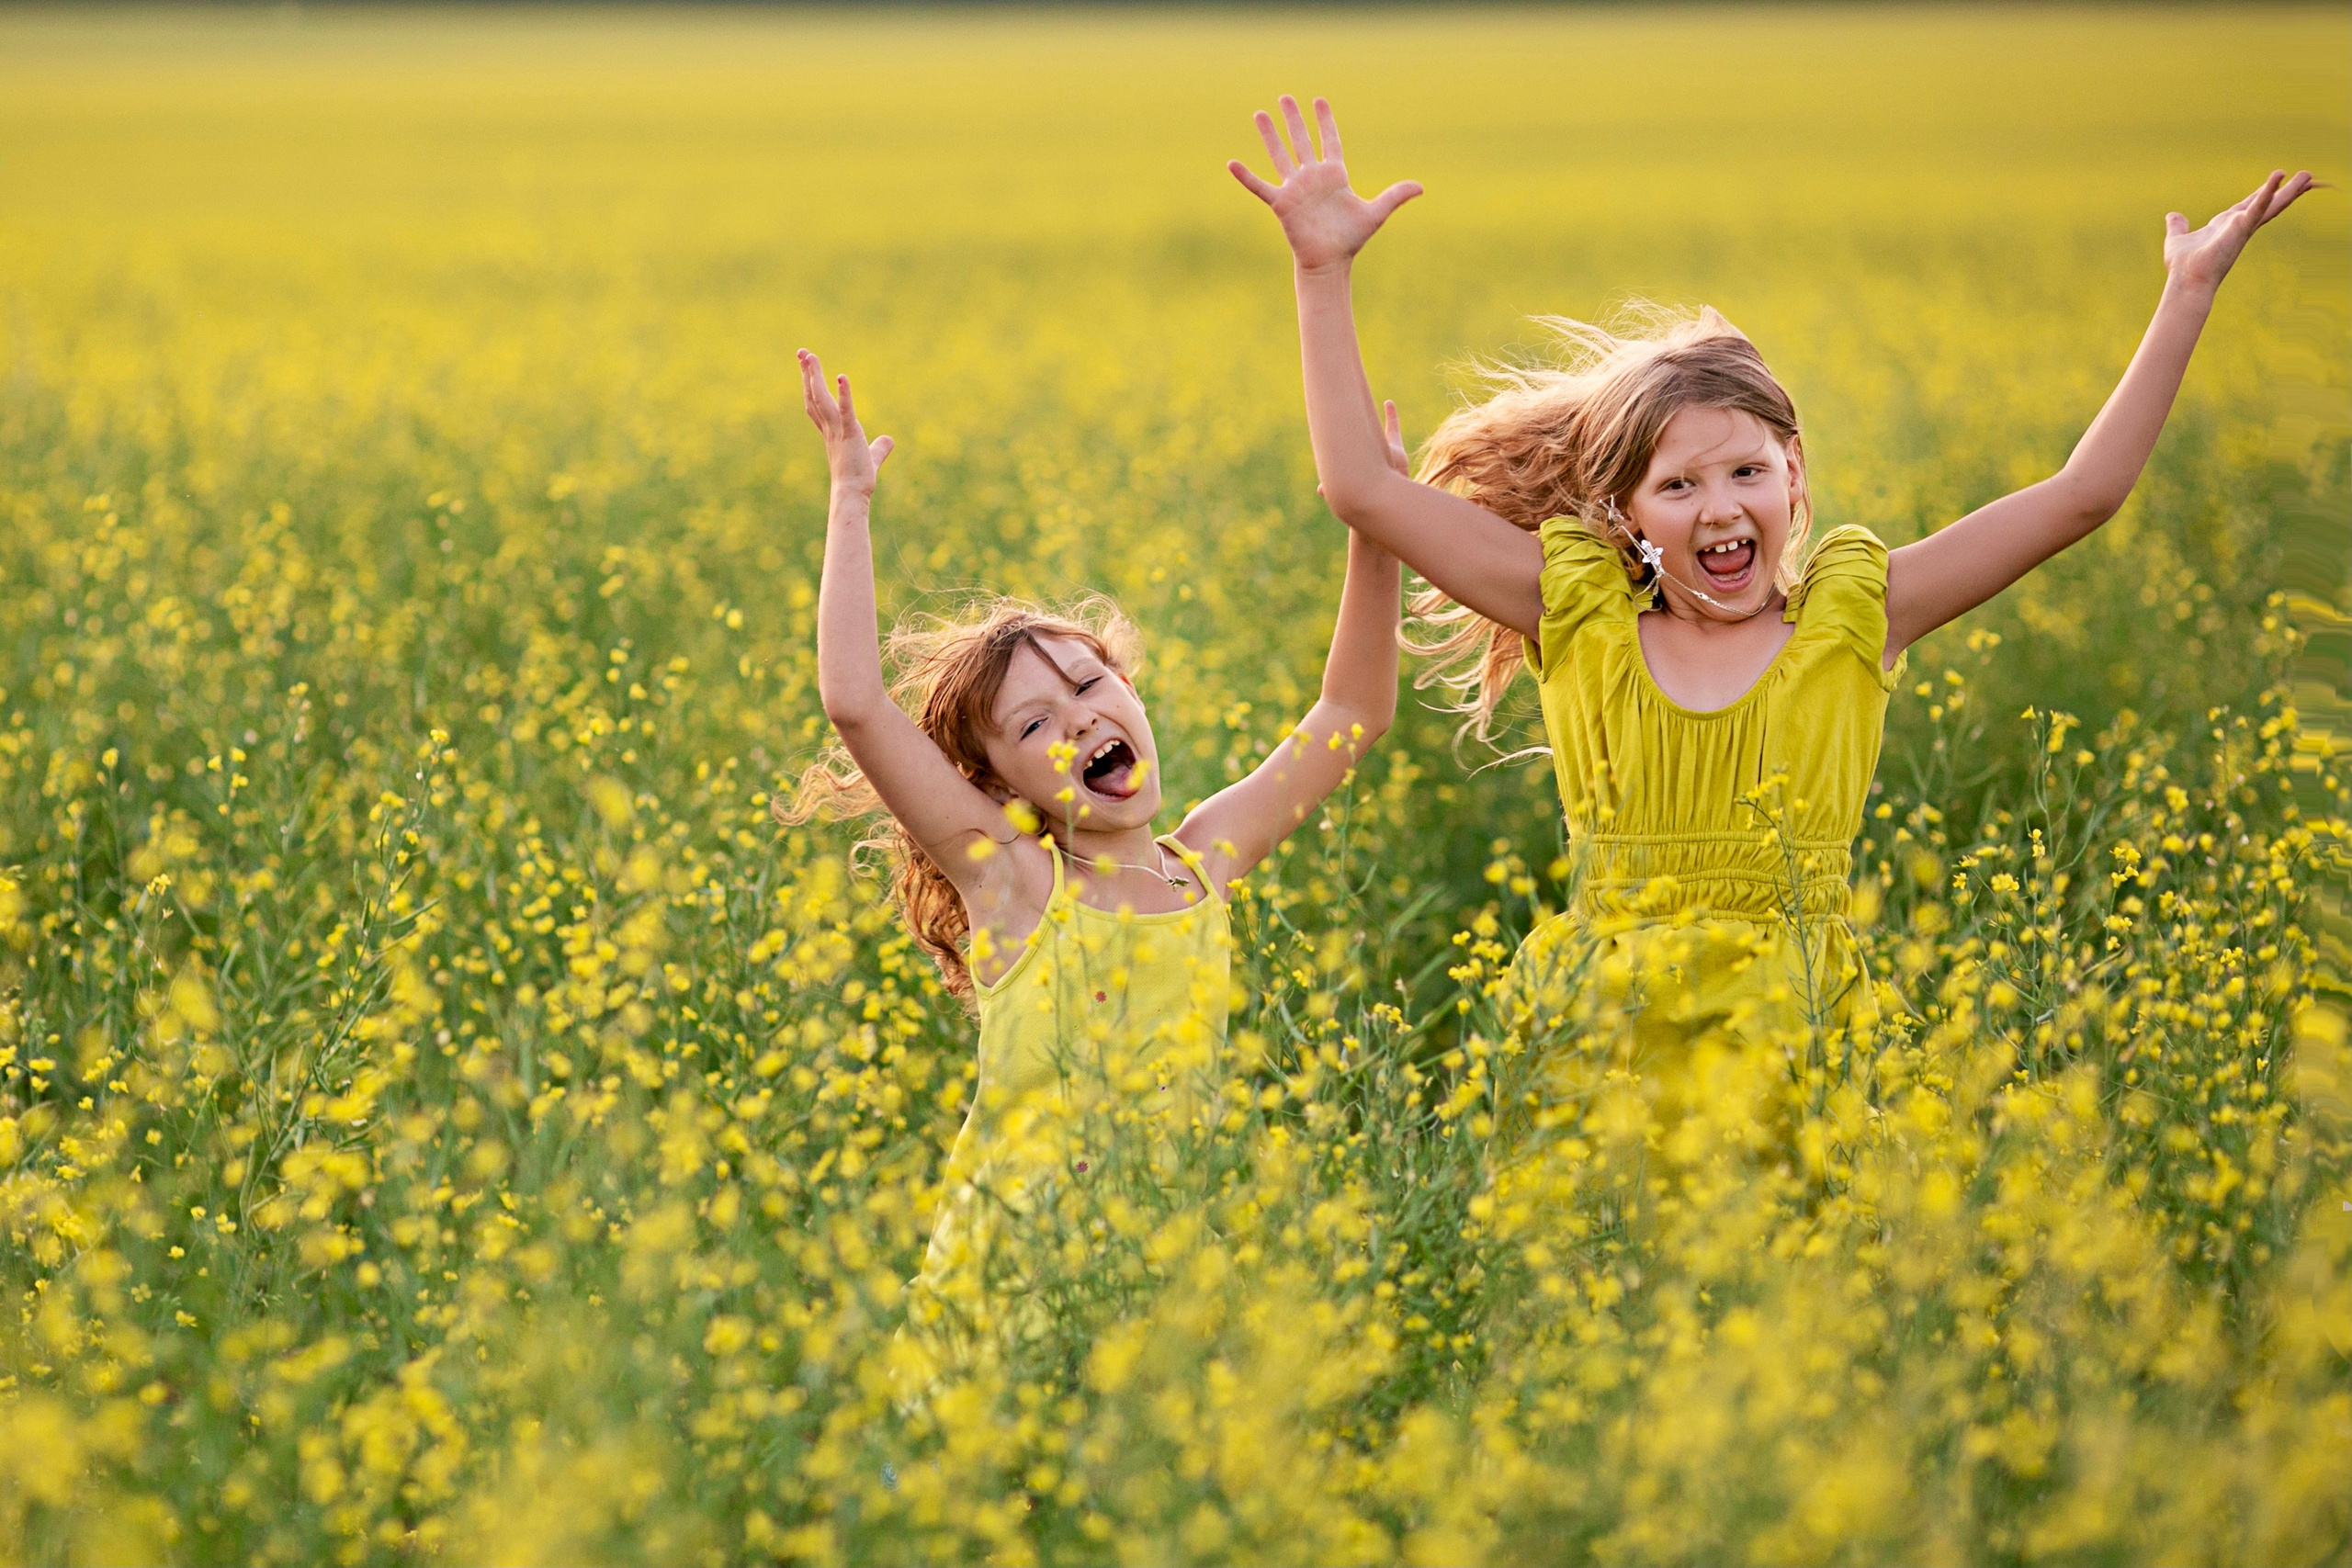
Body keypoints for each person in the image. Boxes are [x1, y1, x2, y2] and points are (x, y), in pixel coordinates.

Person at [1230, 94, 2312, 1077]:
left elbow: (2081, 496)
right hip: (1602, 1053)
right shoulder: (1579, 616)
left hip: (1797, 1049)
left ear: (1793, 474)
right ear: (1623, 512)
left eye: (1745, 472)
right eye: (1678, 485)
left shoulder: (1856, 620)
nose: (1719, 508)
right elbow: (1361, 488)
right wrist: (1321, 272)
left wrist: (2187, 291)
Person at [783, 348, 1402, 1359]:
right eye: (1033, 726)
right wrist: (849, 495)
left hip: (1159, 1284)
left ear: (1130, 691)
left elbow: (1350, 713)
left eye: (1088, 685)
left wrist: (1375, 528)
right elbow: (854, 701)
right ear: (997, 789)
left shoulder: (1202, 864)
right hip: (1009, 1293)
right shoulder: (1013, 880)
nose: (1076, 719)